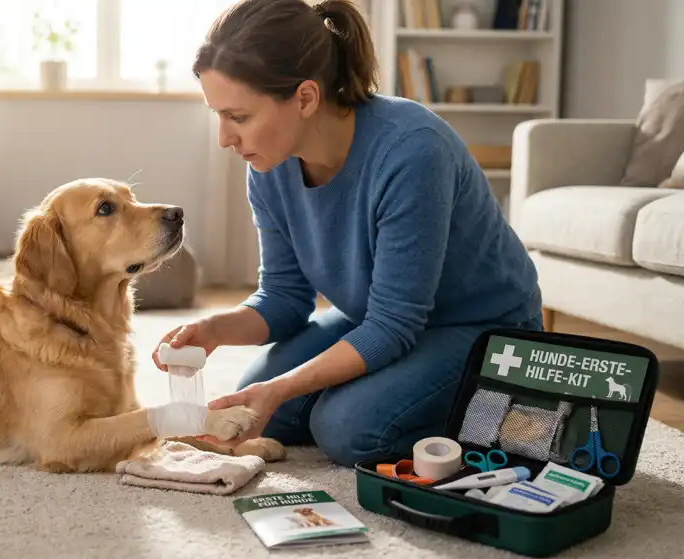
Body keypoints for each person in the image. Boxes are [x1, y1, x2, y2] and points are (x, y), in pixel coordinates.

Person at [151, 0, 543, 467]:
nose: (224, 138)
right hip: (377, 315)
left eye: (238, 117)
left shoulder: (412, 150)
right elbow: (284, 297)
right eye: (218, 115)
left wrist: (283, 387)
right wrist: (214, 329)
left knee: (347, 429)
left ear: (305, 98)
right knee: (259, 406)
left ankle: (509, 410)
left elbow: (394, 325)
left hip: (483, 326)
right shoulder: (269, 165)